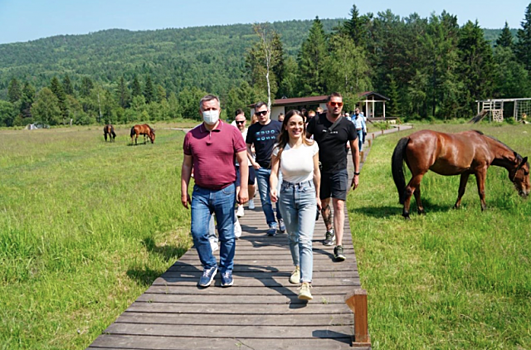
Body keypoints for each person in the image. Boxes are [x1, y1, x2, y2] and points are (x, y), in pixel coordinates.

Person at [181, 94, 248, 288]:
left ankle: (226, 268)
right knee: (198, 231)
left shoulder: (232, 132)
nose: (209, 112)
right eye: (206, 109)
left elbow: (243, 161)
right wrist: (184, 190)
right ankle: (209, 265)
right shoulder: (191, 136)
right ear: (200, 111)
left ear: (219, 110)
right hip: (200, 192)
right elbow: (186, 165)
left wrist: (242, 188)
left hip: (225, 191)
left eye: (213, 108)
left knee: (227, 234)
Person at [270, 110, 321, 300]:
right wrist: (273, 188)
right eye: (292, 123)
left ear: (304, 125)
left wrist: (317, 195)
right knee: (293, 236)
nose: (297, 127)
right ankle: (298, 266)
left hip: (307, 193)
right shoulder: (279, 149)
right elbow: (274, 173)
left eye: (300, 123)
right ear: (286, 126)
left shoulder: (312, 146)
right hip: (286, 195)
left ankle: (306, 284)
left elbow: (316, 172)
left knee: (305, 239)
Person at [306, 92, 360, 262]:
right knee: (324, 204)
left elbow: (355, 149)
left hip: (340, 170)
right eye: (333, 103)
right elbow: (305, 141)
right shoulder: (316, 121)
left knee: (339, 205)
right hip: (320, 171)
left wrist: (356, 173)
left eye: (339, 104)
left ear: (342, 106)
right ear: (327, 104)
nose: (336, 106)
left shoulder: (348, 125)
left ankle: (339, 244)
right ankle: (329, 229)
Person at [246, 102, 285, 236]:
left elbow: (285, 143)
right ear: (255, 115)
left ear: (268, 111)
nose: (261, 115)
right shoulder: (253, 129)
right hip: (261, 168)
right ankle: (271, 223)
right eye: (258, 113)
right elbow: (247, 146)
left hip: (277, 167)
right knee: (264, 198)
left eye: (263, 112)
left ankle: (281, 219)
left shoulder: (278, 126)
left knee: (278, 195)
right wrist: (252, 161)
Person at [234, 109, 257, 215]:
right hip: (236, 163)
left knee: (251, 184)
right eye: (237, 122)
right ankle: (240, 205)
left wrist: (252, 150)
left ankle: (251, 199)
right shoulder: (232, 132)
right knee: (238, 184)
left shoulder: (249, 132)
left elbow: (254, 145)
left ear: (245, 121)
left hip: (249, 162)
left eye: (242, 122)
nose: (240, 124)